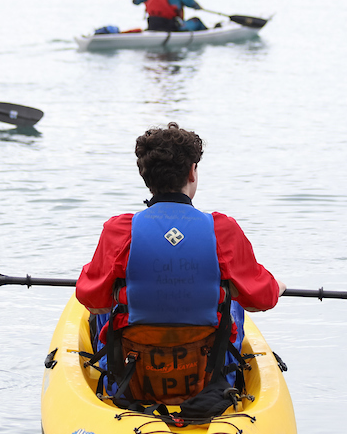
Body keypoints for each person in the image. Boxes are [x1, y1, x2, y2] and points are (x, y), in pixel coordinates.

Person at [76, 122, 285, 409]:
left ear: (145, 176)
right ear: (191, 172)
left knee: (105, 305)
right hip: (206, 375)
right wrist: (278, 287)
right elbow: (262, 299)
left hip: (135, 372)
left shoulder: (120, 230)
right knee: (232, 298)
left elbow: (90, 299)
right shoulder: (221, 230)